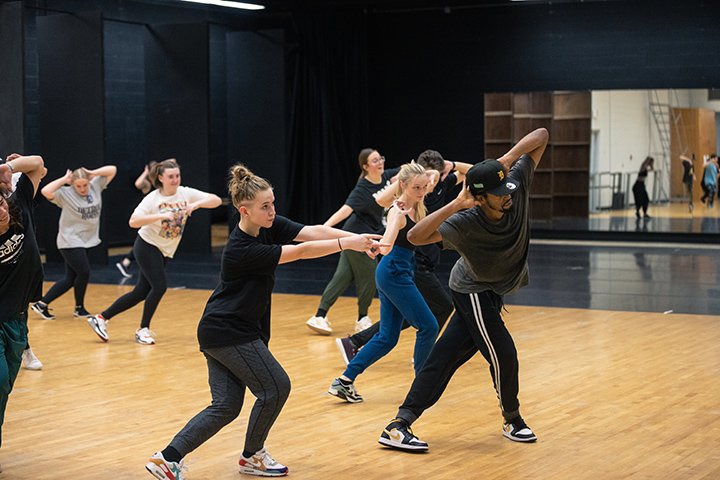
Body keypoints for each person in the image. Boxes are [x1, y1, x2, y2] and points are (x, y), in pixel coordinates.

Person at [145, 164, 383, 480]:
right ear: (244, 211)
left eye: (273, 204)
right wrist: (348, 245)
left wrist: (358, 236)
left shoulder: (266, 226)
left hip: (221, 330)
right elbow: (302, 252)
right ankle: (252, 456)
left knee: (226, 406)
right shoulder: (241, 249)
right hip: (229, 332)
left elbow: (311, 231)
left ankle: (167, 458)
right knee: (275, 387)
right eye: (265, 207)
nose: (272, 211)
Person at [377, 128, 548, 452]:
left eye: (506, 185)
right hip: (473, 290)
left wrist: (505, 162)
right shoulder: (466, 221)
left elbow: (541, 134)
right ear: (479, 198)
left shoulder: (517, 185)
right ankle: (513, 419)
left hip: (493, 291)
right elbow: (415, 237)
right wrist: (457, 202)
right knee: (504, 353)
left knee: (443, 357)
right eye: (497, 191)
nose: (507, 193)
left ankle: (399, 425)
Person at [336, 150, 473, 365]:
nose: (424, 187)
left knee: (405, 320)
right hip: (410, 263)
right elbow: (381, 200)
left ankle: (354, 347)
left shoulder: (442, 185)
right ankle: (421, 357)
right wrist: (404, 178)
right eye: (419, 184)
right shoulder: (405, 198)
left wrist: (452, 164)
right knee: (434, 314)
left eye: (428, 181)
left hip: (419, 262)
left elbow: (474, 172)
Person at [328, 162, 440, 403]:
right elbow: (387, 246)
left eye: (423, 187)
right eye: (416, 188)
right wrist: (388, 233)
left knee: (387, 337)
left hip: (398, 271)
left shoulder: (416, 203)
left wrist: (421, 173)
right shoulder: (397, 211)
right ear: (403, 186)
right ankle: (422, 387)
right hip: (394, 272)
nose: (422, 191)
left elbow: (433, 175)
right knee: (429, 326)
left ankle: (344, 381)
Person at [87, 159, 221, 345]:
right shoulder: (153, 198)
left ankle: (101, 318)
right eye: (171, 177)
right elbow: (133, 222)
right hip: (147, 245)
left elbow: (216, 200)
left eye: (177, 176)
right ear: (160, 178)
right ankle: (143, 329)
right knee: (159, 287)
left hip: (164, 250)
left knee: (142, 291)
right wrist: (161, 215)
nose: (175, 180)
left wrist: (196, 205)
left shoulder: (185, 193)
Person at [306, 148, 400, 336]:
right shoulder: (362, 189)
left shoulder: (387, 177)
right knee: (370, 274)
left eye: (381, 158)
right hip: (356, 236)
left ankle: (319, 316)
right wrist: (323, 228)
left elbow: (407, 169)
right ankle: (362, 318)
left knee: (342, 277)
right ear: (366, 167)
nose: (380, 162)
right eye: (375, 161)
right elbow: (345, 210)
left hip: (363, 235)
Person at [0, 153, 46, 469]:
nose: (2, 211)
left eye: (1, 204)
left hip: (18, 320)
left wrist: (8, 168)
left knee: (4, 391)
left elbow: (38, 163)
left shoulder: (18, 208)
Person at [29, 165, 117, 320]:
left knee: (70, 278)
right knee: (84, 272)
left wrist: (91, 174)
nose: (82, 189)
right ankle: (78, 307)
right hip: (70, 239)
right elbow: (45, 191)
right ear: (72, 185)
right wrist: (64, 179)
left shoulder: (96, 185)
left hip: (86, 240)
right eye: (79, 186)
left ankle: (42, 304)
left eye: (85, 185)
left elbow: (113, 170)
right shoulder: (65, 193)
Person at [116, 161, 157, 278]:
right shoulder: (148, 184)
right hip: (149, 217)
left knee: (149, 242)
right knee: (144, 241)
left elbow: (172, 161)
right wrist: (145, 172)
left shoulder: (161, 184)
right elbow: (137, 183)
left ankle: (127, 263)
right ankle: (126, 262)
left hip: (157, 218)